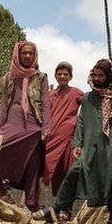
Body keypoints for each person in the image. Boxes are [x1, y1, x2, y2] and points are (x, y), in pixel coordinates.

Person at [49, 60, 112, 224]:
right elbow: (82, 120)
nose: (97, 78)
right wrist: (77, 143)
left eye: (101, 75)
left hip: (109, 144)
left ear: (109, 76)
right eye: (95, 75)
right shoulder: (88, 97)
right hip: (90, 143)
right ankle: (56, 208)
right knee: (75, 172)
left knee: (111, 179)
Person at [0, 41, 50, 211]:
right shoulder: (10, 76)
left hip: (33, 125)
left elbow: (45, 104)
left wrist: (46, 129)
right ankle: (0, 192)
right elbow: (4, 103)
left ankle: (31, 204)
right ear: (18, 54)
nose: (28, 56)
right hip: (13, 122)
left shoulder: (41, 77)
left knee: (33, 162)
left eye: (31, 53)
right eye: (24, 53)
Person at [42, 62, 85, 196]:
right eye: (59, 74)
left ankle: (63, 207)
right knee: (45, 166)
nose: (62, 76)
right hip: (50, 137)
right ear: (55, 76)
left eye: (65, 74)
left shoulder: (76, 92)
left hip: (67, 138)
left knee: (65, 169)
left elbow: (90, 104)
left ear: (70, 77)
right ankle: (36, 202)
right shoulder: (49, 95)